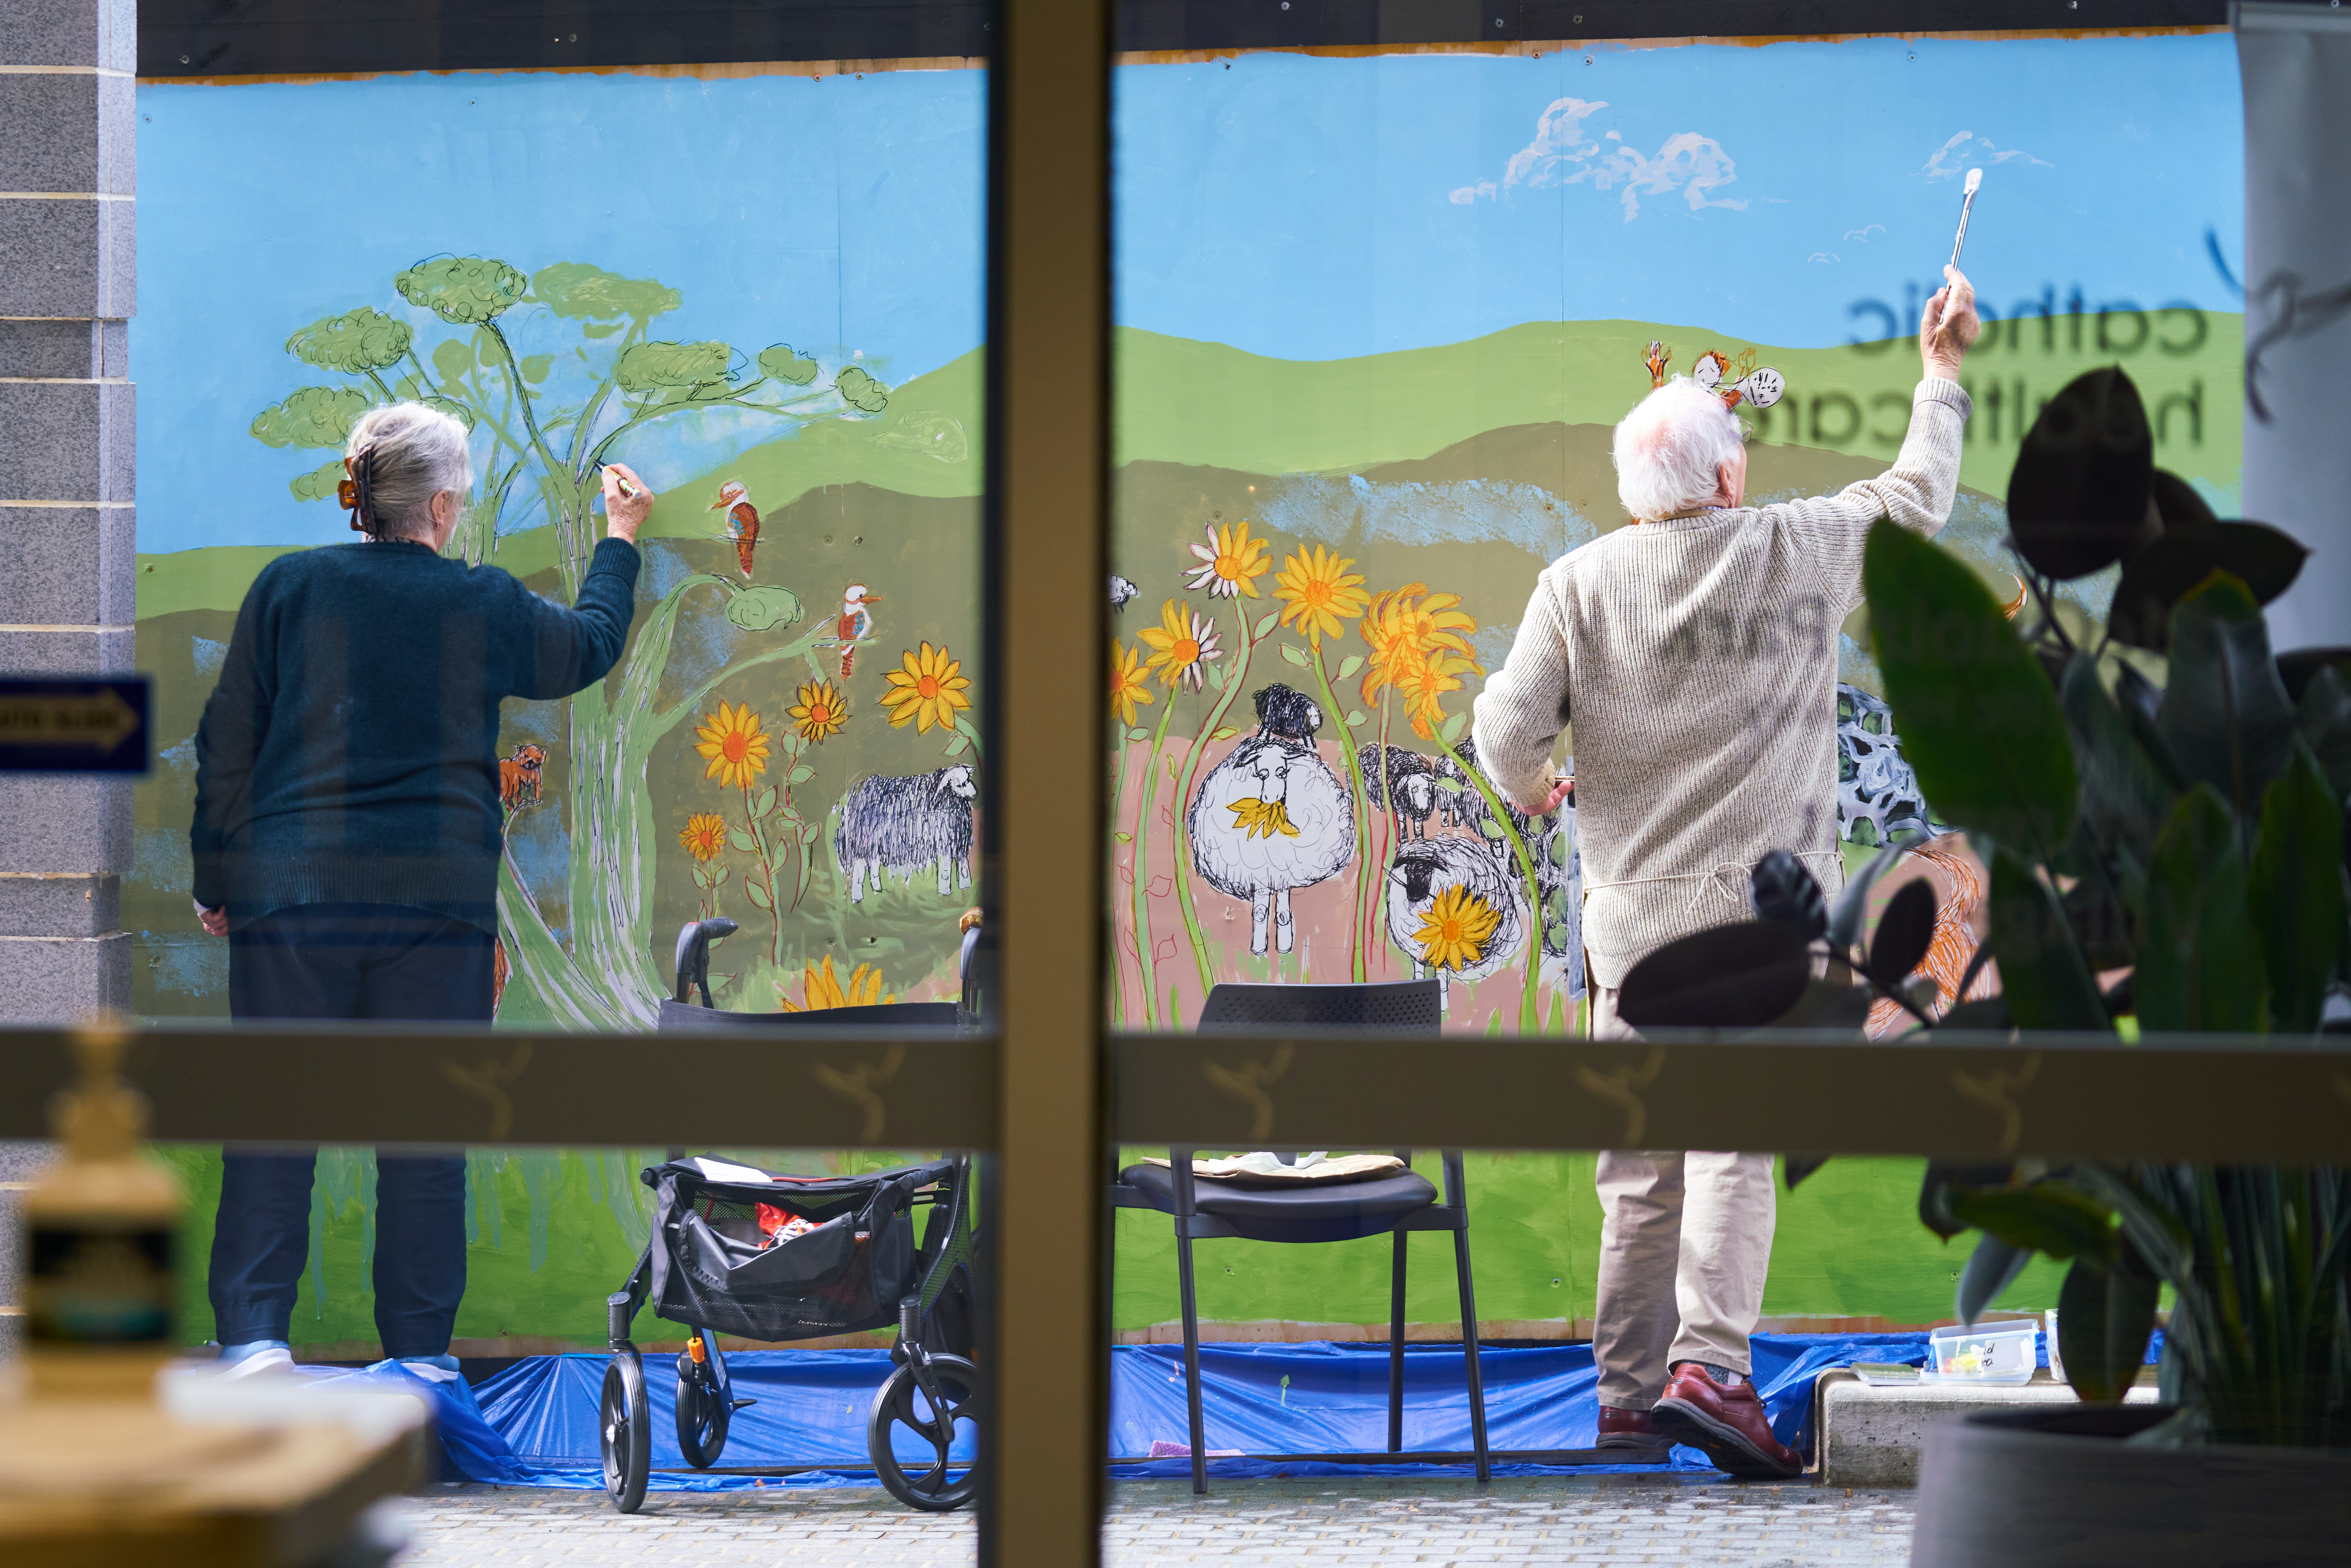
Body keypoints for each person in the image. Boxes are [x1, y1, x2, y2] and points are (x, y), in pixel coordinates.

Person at [1470, 267, 1981, 1476]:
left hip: (1631, 931)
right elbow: (1914, 499)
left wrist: (1538, 789)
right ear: (1724, 478)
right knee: (1733, 1146)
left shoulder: (1574, 586)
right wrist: (1941, 375)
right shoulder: (1787, 550)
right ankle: (1713, 1366)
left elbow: (1499, 734)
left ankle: (1627, 1400)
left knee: (1638, 1168)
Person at [189, 403, 653, 1378]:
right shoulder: (478, 601)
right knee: (424, 1139)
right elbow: (591, 644)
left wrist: (215, 876)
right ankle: (420, 1362)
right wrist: (619, 539)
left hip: (292, 893)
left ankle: (256, 1344)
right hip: (435, 906)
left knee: (272, 1123)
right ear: (440, 505)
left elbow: (226, 739)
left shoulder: (289, 587)